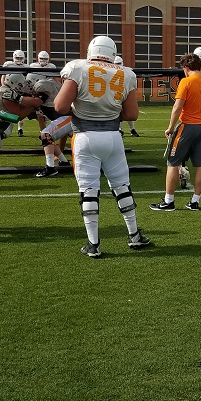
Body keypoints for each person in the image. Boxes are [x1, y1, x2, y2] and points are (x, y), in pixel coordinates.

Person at [54, 35, 151, 258]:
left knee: (89, 190)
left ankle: (94, 244)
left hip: (85, 136)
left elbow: (60, 106)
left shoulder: (78, 67)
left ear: (91, 50)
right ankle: (134, 235)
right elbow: (132, 114)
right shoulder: (126, 73)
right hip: (113, 136)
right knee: (122, 186)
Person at [150, 52, 201, 211]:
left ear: (186, 68)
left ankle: (169, 201)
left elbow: (177, 106)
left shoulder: (186, 81)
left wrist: (171, 127)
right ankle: (195, 201)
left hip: (188, 126)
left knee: (173, 162)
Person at [0, 73, 43, 158]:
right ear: (12, 82)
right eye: (20, 84)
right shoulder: (6, 93)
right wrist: (33, 105)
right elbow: (18, 116)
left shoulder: (7, 90)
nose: (22, 87)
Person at [2, 49, 27, 136]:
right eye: (17, 57)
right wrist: (4, 87)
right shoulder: (8, 65)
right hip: (9, 89)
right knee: (9, 110)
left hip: (20, 91)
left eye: (21, 58)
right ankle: (6, 130)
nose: (19, 60)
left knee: (19, 110)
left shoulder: (26, 67)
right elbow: (3, 77)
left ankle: (20, 129)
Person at [114, 55, 140, 137]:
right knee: (119, 112)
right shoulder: (111, 71)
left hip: (125, 93)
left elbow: (133, 85)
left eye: (118, 63)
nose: (117, 65)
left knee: (129, 112)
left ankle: (132, 129)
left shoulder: (128, 71)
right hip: (116, 94)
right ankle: (120, 129)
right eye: (116, 63)